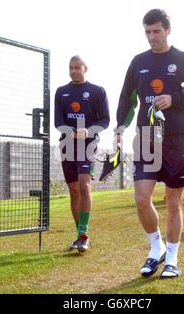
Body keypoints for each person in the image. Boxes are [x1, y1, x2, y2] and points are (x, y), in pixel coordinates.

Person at [114, 9, 184, 278]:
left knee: (172, 200)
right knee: (142, 198)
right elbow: (126, 98)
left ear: (168, 30)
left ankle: (173, 258)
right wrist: (120, 126)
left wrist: (174, 98)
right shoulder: (138, 62)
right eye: (147, 32)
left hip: (177, 138)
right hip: (146, 136)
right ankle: (157, 247)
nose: (151, 37)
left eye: (156, 31)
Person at [54, 55, 110, 252]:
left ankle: (84, 235)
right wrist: (70, 132)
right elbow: (58, 122)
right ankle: (79, 235)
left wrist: (89, 131)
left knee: (85, 185)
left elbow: (105, 120)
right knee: (74, 189)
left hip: (88, 143)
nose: (74, 71)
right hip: (67, 145)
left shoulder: (97, 91)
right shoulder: (61, 92)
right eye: (71, 67)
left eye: (77, 67)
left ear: (85, 68)